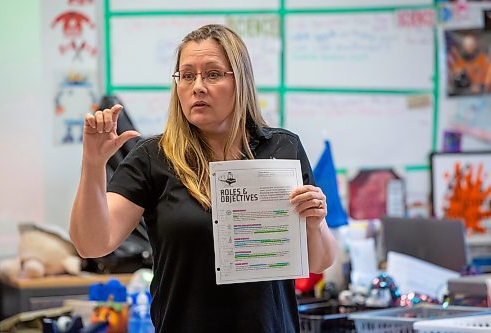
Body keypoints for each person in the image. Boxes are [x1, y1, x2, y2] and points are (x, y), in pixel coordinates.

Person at [70, 24, 336, 333]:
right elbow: (91, 244)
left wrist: (314, 221)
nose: (197, 86)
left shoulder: (282, 147)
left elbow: (319, 261)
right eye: (186, 75)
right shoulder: (153, 157)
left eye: (212, 74)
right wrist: (92, 163)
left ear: (241, 81)